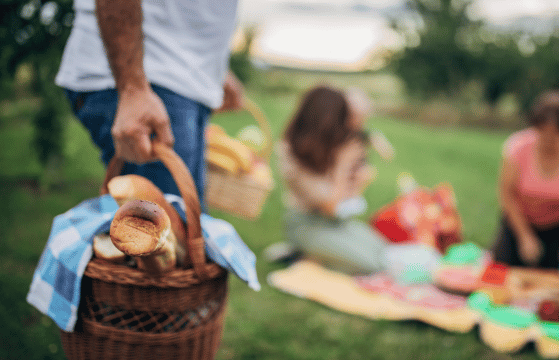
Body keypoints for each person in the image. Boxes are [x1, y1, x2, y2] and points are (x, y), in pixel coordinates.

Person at [54, 0, 244, 206]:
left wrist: (214, 71)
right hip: (145, 75)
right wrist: (132, 88)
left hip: (180, 79)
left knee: (185, 220)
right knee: (160, 224)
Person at [276, 86, 441, 280]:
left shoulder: (329, 145)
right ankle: (305, 254)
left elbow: (344, 203)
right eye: (344, 119)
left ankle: (316, 255)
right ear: (326, 120)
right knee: (373, 265)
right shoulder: (293, 156)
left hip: (338, 224)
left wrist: (359, 182)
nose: (349, 126)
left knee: (383, 250)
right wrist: (342, 165)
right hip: (308, 225)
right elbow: (330, 206)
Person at [492, 89, 559, 270]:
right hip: (518, 222)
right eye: (542, 132)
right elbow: (506, 194)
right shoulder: (517, 147)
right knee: (496, 277)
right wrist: (524, 235)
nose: (547, 140)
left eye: (555, 134)